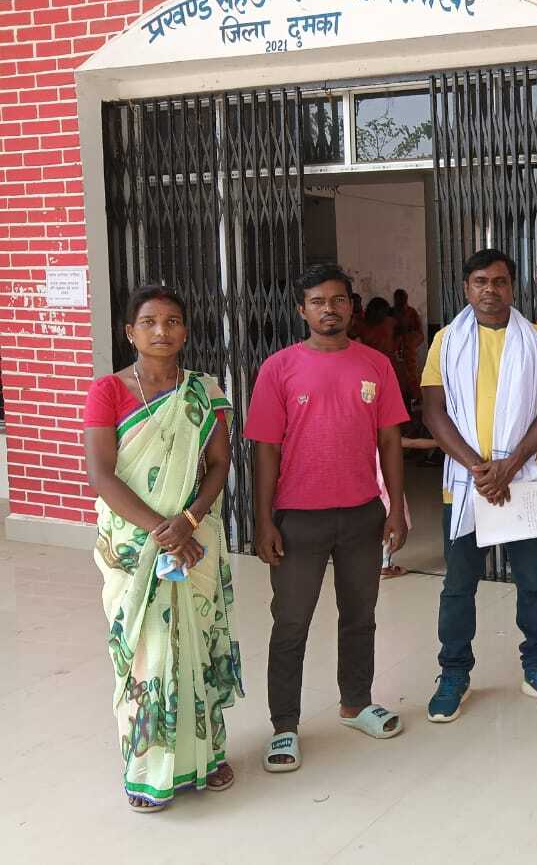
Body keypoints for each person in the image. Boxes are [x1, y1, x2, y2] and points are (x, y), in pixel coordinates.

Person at [84, 285, 242, 812]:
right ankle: (146, 771)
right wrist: (162, 530)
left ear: (185, 331)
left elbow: (218, 464)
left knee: (200, 639)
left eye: (172, 321)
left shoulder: (203, 391)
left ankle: (208, 755)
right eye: (149, 321)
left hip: (195, 537)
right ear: (130, 332)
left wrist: (189, 521)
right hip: (133, 546)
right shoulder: (108, 390)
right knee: (147, 652)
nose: (161, 330)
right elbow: (101, 475)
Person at [245, 264, 409, 773]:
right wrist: (264, 520)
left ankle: (356, 703)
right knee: (291, 622)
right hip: (298, 519)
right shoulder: (278, 368)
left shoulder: (376, 365)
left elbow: (390, 441)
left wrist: (395, 508)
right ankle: (284, 726)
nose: (329, 309)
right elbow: (265, 450)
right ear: (302, 310)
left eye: (338, 300)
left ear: (351, 307)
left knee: (360, 615)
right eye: (317, 301)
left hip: (362, 514)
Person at [421, 248, 537, 719]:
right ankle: (454, 673)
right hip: (465, 486)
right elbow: (433, 410)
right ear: (466, 287)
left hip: (524, 482)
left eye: (500, 281)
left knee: (534, 584)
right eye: (481, 281)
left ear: (512, 287)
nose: (491, 290)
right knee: (458, 586)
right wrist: (479, 468)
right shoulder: (446, 341)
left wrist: (510, 465)